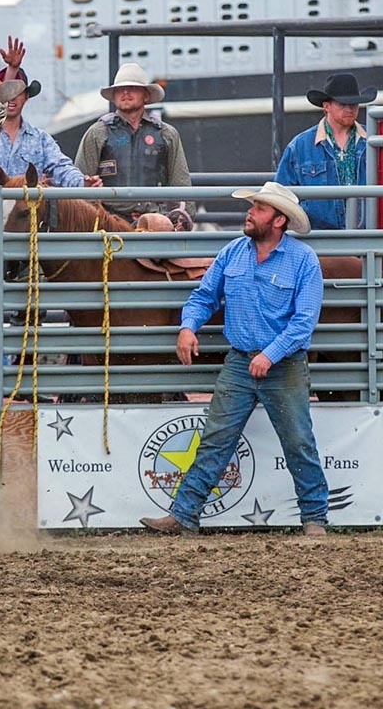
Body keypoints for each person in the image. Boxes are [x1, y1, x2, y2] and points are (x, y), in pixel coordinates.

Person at [141, 182, 329, 537]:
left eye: (258, 208)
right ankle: (184, 514)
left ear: (278, 220)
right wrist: (187, 326)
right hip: (242, 361)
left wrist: (270, 355)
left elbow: (304, 323)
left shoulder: (303, 260)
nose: (250, 212)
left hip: (282, 365)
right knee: (216, 438)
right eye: (253, 206)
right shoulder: (233, 252)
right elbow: (204, 296)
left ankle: (314, 517)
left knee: (298, 442)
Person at [75, 62, 194, 225]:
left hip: (155, 220)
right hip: (109, 222)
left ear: (146, 95)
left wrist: (181, 222)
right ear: (114, 96)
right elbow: (80, 183)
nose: (125, 92)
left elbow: (180, 184)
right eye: (120, 89)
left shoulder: (167, 134)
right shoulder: (97, 133)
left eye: (133, 88)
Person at [0, 39, 102, 189]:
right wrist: (12, 69)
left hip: (24, 211)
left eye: (18, 92)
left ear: (27, 97)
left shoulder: (40, 140)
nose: (11, 97)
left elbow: (61, 167)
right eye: (5, 92)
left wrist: (81, 182)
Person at [274, 71, 378, 230]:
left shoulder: (374, 140)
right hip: (320, 238)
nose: (349, 109)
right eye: (342, 104)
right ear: (326, 106)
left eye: (354, 104)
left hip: (365, 234)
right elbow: (280, 196)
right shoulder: (299, 146)